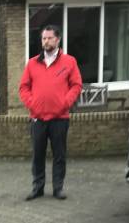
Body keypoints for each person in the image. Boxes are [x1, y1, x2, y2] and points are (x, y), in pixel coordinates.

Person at [19, 24, 82, 201]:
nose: (46, 41)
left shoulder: (69, 62)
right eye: (43, 38)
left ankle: (58, 188)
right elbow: (24, 87)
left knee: (59, 155)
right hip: (38, 118)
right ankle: (37, 188)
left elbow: (76, 85)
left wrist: (65, 102)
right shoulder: (32, 63)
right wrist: (32, 105)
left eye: (49, 38)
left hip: (60, 118)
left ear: (58, 39)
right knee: (37, 155)